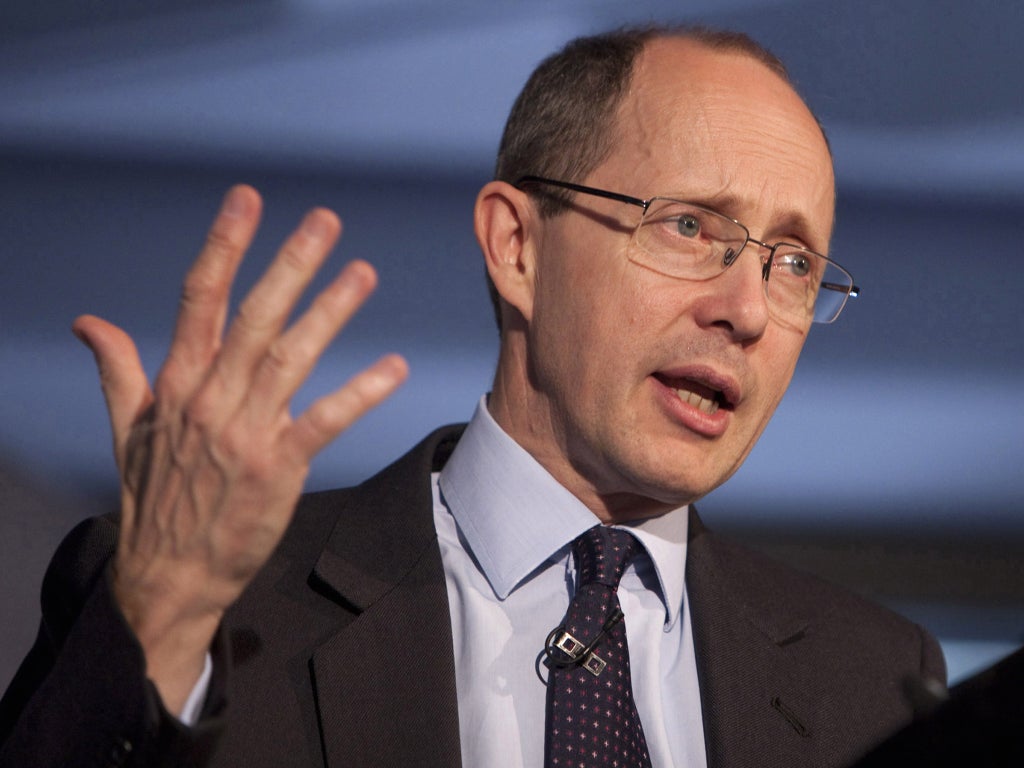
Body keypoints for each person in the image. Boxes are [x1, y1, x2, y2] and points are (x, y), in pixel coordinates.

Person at [0, 25, 945, 768]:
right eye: (692, 228)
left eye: (794, 263)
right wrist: (163, 617)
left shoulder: (878, 684)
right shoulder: (212, 604)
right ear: (517, 247)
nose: (747, 309)